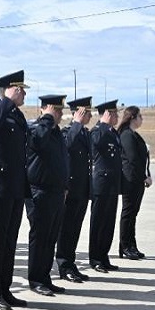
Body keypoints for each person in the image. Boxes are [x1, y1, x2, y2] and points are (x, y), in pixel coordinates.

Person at [0, 70, 30, 310]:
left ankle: (5, 288)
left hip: (15, 187)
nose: (23, 94)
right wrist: (6, 100)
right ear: (9, 89)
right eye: (19, 90)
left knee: (10, 240)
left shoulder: (17, 116)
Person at [25, 94, 69, 296]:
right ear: (46, 109)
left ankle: (45, 277)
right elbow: (38, 143)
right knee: (40, 237)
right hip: (39, 192)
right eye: (56, 110)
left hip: (55, 192)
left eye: (60, 112)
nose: (59, 115)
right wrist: (48, 118)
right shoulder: (37, 128)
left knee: (50, 238)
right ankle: (35, 279)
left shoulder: (56, 132)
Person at [56, 96, 93, 283]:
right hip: (71, 189)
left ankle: (71, 262)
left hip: (82, 189)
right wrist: (76, 123)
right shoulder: (68, 131)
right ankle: (64, 265)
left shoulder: (85, 133)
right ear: (77, 113)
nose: (89, 116)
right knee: (66, 229)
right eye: (86, 113)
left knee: (75, 228)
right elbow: (67, 146)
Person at [88, 99, 122, 273]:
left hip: (112, 185)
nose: (118, 117)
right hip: (101, 184)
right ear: (107, 114)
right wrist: (103, 124)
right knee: (99, 222)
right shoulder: (97, 131)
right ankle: (95, 258)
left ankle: (104, 256)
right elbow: (94, 145)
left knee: (109, 223)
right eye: (115, 113)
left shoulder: (113, 132)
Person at [118, 106, 152, 260]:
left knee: (133, 214)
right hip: (131, 180)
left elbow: (143, 159)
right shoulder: (126, 135)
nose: (142, 119)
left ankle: (131, 245)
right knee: (128, 213)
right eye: (140, 116)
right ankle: (125, 246)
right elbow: (133, 160)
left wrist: (147, 174)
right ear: (132, 117)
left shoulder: (134, 135)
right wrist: (144, 176)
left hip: (137, 180)